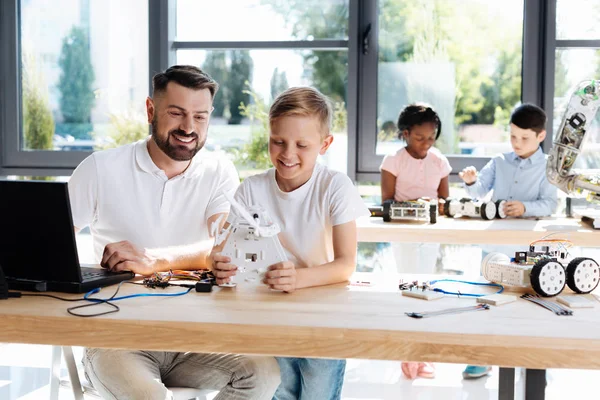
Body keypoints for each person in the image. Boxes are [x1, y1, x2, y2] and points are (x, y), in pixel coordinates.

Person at [68, 65, 280, 399]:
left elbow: (222, 245)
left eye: (200, 117)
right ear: (151, 111)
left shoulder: (218, 170)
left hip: (196, 339)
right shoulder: (99, 168)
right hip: (116, 339)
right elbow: (47, 245)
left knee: (263, 373)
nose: (188, 127)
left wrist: (155, 260)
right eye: (177, 113)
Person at [212, 86, 370, 400]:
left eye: (302, 145)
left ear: (325, 144)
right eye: (278, 141)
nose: (287, 154)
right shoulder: (251, 189)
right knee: (278, 392)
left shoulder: (334, 186)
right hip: (266, 316)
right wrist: (217, 263)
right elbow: (222, 250)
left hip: (324, 318)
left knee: (318, 394)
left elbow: (345, 265)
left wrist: (298, 278)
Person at [458, 103, 558, 380]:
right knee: (489, 299)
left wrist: (526, 208)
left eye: (524, 138)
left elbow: (550, 203)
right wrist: (469, 181)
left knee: (530, 303)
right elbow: (479, 191)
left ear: (540, 136)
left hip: (527, 249)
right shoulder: (499, 161)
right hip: (494, 245)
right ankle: (484, 356)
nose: (516, 143)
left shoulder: (549, 166)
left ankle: (532, 359)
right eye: (513, 136)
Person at [379, 103, 452, 380]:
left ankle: (422, 353)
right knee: (409, 287)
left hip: (430, 233)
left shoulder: (439, 162)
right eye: (420, 138)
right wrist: (414, 205)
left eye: (431, 138)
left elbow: (444, 201)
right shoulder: (393, 161)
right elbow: (386, 203)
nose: (426, 143)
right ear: (406, 134)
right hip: (405, 233)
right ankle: (408, 353)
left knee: (427, 287)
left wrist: (439, 205)